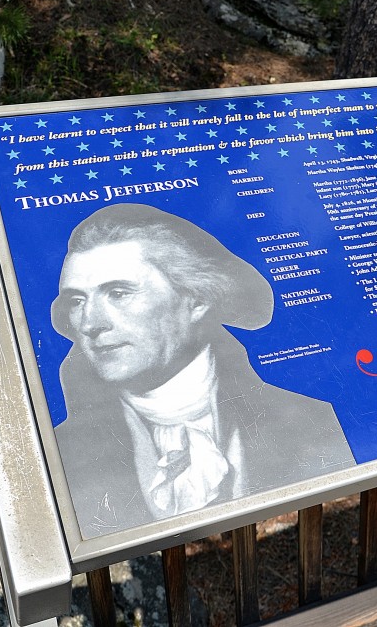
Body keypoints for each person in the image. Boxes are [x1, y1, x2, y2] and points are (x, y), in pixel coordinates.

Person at [50, 203, 355, 538]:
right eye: (77, 301)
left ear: (196, 300)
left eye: (119, 293)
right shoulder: (60, 457)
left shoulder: (312, 422)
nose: (91, 323)